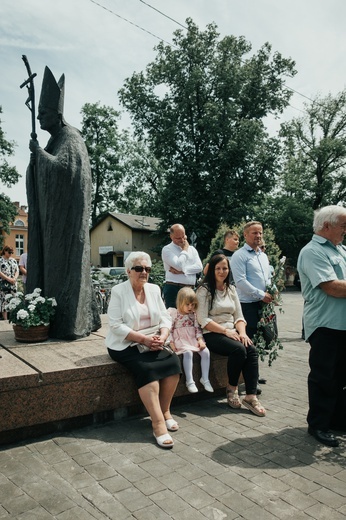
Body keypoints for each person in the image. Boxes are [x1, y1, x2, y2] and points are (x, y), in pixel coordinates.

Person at [27, 65, 100, 339]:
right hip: (52, 229)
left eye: (43, 113)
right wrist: (36, 161)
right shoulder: (53, 141)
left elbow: (66, 171)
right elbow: (45, 169)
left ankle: (70, 322)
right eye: (37, 114)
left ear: (57, 114)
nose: (39, 118)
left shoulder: (70, 138)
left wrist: (40, 157)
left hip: (67, 232)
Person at [106, 251, 181, 449]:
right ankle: (157, 424)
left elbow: (165, 317)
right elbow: (115, 325)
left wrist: (163, 336)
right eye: (139, 268)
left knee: (173, 363)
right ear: (128, 271)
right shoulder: (118, 291)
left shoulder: (155, 289)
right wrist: (144, 339)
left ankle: (164, 412)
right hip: (126, 343)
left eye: (147, 269)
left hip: (154, 339)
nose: (144, 272)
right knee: (148, 371)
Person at [297, 205, 346, 448]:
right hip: (325, 325)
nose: (345, 230)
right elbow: (332, 287)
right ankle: (317, 424)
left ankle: (336, 419)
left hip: (342, 324)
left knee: (340, 376)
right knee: (324, 376)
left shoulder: (340, 249)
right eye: (343, 225)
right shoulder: (312, 252)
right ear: (326, 226)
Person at [196, 254, 266, 417]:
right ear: (212, 270)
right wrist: (226, 331)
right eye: (218, 268)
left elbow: (239, 316)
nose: (221, 271)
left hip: (232, 332)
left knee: (251, 349)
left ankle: (250, 396)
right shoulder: (204, 290)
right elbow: (202, 319)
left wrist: (242, 333)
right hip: (212, 332)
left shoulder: (232, 289)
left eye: (225, 268)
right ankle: (232, 388)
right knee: (238, 350)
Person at [231, 221, 273, 389]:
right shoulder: (240, 256)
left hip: (262, 306)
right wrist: (261, 294)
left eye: (260, 233)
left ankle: (254, 374)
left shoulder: (262, 255)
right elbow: (240, 281)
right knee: (249, 344)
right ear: (245, 235)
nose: (258, 236)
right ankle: (250, 382)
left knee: (261, 340)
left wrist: (273, 290)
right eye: (254, 233)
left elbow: (268, 278)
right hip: (247, 305)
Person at [168, 287, 214, 394]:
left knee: (205, 352)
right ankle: (190, 381)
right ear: (180, 302)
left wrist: (200, 340)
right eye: (187, 304)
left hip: (192, 338)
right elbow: (170, 330)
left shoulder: (194, 314)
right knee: (187, 353)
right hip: (181, 339)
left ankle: (205, 378)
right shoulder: (174, 314)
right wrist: (171, 342)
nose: (190, 307)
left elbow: (197, 329)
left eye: (192, 304)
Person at [162, 224, 203, 308]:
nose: (181, 240)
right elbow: (179, 265)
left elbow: (199, 267)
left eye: (183, 236)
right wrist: (184, 249)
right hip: (174, 288)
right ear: (171, 236)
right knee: (173, 316)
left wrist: (182, 271)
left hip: (190, 289)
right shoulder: (167, 249)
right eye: (178, 238)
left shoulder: (192, 249)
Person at [0, 246, 19, 320]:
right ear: (5, 251)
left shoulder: (13, 260)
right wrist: (8, 279)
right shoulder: (0, 260)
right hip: (4, 282)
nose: (10, 254)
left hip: (13, 283)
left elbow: (17, 270)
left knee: (14, 299)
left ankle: (13, 317)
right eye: (9, 252)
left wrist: (14, 278)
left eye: (12, 252)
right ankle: (5, 318)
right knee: (4, 300)